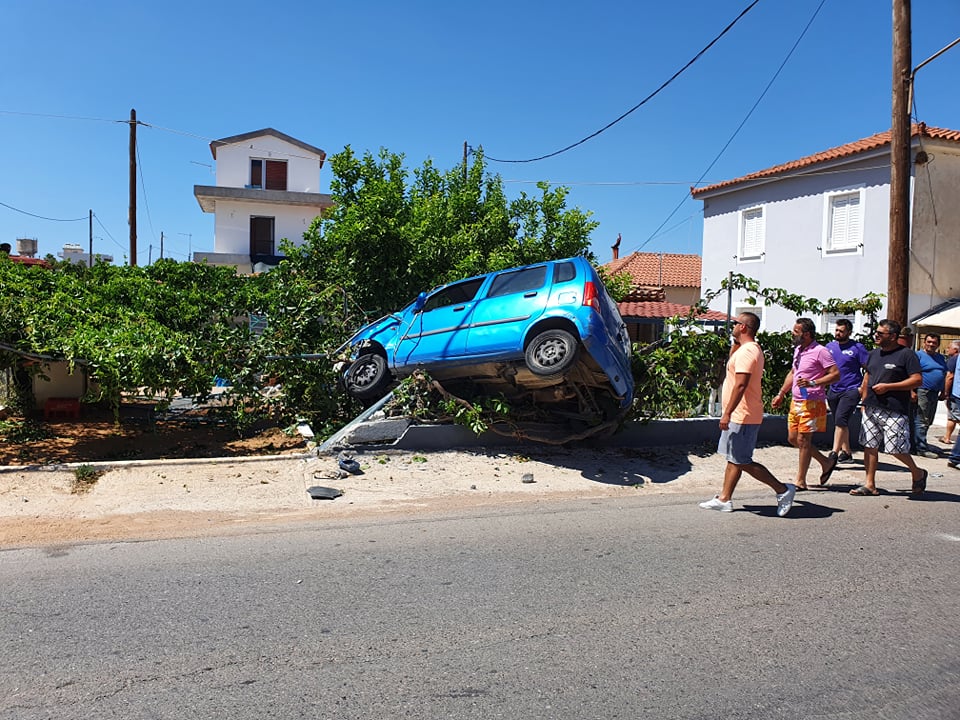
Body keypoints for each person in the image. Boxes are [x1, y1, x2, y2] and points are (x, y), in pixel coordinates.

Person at [699, 312, 796, 516]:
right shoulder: (744, 349)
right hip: (740, 414)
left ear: (743, 327)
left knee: (742, 459)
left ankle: (783, 489)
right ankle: (725, 498)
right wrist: (734, 346)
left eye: (735, 323)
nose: (732, 326)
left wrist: (727, 413)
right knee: (733, 457)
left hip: (743, 414)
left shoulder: (748, 352)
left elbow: (741, 384)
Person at [850, 319, 927, 496]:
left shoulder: (907, 355)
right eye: (876, 332)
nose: (875, 335)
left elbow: (917, 379)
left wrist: (889, 387)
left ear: (892, 336)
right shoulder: (873, 354)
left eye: (880, 333)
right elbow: (867, 377)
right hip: (871, 407)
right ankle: (869, 484)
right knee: (869, 445)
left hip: (895, 409)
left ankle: (917, 472)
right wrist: (864, 400)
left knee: (896, 448)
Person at [771, 317, 840, 490]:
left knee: (803, 440)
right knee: (793, 438)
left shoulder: (820, 351)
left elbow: (835, 374)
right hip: (797, 401)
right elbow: (793, 372)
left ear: (806, 334)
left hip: (813, 402)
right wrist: (781, 393)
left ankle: (800, 481)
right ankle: (825, 462)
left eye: (796, 332)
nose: (792, 335)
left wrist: (814, 383)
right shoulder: (798, 351)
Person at [824, 319, 868, 464]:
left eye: (841, 331)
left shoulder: (857, 348)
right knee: (840, 421)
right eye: (836, 330)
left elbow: (868, 368)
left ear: (849, 332)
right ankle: (847, 452)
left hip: (851, 389)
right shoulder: (829, 347)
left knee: (841, 420)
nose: (837, 333)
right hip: (834, 389)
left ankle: (833, 454)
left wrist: (862, 388)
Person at [912, 332, 946, 458]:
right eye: (929, 342)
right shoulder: (918, 356)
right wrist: (912, 391)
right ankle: (920, 448)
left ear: (938, 344)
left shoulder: (940, 358)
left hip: (935, 392)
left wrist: (943, 391)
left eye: (934, 343)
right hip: (922, 390)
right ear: (924, 342)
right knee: (921, 420)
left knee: (929, 420)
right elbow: (910, 373)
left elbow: (943, 373)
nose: (931, 344)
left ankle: (923, 443)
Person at [939, 340, 960, 444]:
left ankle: (947, 437)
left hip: (955, 393)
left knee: (954, 416)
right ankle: (946, 437)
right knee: (952, 416)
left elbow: (949, 376)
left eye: (949, 347)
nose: (947, 349)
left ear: (955, 350)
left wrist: (945, 392)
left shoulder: (954, 360)